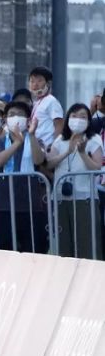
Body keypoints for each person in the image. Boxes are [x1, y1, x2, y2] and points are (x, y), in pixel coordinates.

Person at [0, 99, 47, 253]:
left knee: (32, 250)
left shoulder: (37, 140)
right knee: (5, 250)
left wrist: (30, 136)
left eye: (20, 114)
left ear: (28, 119)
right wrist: (17, 143)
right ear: (5, 119)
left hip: (31, 204)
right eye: (12, 114)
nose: (15, 117)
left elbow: (38, 160)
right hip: (5, 204)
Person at [46, 103, 104, 259]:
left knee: (87, 244)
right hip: (60, 198)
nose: (78, 120)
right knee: (63, 245)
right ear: (68, 118)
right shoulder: (60, 139)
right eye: (74, 116)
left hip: (84, 199)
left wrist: (82, 153)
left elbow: (97, 168)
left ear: (89, 121)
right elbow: (50, 163)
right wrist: (68, 152)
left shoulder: (94, 139)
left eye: (83, 117)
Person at [27, 66, 64, 149]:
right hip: (36, 147)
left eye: (39, 80)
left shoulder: (51, 101)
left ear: (48, 83)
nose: (35, 84)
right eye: (32, 81)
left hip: (47, 147)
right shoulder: (36, 102)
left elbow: (59, 124)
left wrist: (54, 146)